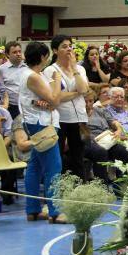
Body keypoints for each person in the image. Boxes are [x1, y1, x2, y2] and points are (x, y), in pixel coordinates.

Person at [21, 42, 67, 224]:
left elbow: (48, 101)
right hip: (41, 124)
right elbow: (55, 100)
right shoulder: (33, 76)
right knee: (54, 167)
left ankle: (32, 209)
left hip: (39, 122)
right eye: (47, 56)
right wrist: (57, 79)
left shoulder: (34, 75)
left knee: (35, 166)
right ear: (41, 57)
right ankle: (55, 212)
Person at [43, 35, 89, 179]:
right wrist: (77, 93)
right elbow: (57, 97)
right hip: (60, 118)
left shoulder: (80, 68)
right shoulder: (51, 70)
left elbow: (84, 89)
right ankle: (59, 188)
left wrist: (74, 67)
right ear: (55, 50)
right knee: (59, 157)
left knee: (78, 158)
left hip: (79, 118)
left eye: (70, 46)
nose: (69, 49)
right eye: (64, 46)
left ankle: (79, 190)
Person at [84, 90, 128, 187]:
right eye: (85, 101)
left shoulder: (100, 110)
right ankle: (102, 186)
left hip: (106, 138)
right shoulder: (79, 113)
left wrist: (118, 130)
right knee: (100, 152)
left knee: (124, 151)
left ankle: (122, 184)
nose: (88, 104)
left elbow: (115, 123)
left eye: (90, 101)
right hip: (89, 140)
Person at [0, 41, 27, 119]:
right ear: (7, 54)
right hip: (11, 106)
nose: (18, 54)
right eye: (14, 52)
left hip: (26, 106)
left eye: (19, 51)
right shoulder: (1, 69)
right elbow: (1, 88)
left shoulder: (27, 67)